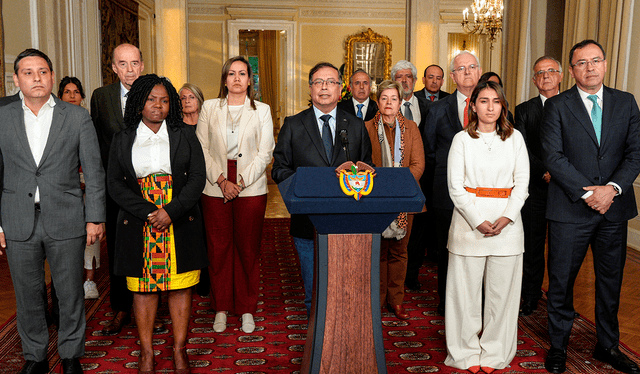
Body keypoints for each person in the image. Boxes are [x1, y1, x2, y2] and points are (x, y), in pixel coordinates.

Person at [0, 48, 106, 374]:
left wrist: (95, 217)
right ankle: (35, 357)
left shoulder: (75, 117)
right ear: (16, 78)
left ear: (51, 76)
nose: (37, 78)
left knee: (70, 291)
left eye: (43, 72)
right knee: (28, 295)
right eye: (29, 72)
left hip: (66, 217)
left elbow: (94, 170)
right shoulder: (2, 116)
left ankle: (71, 354)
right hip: (17, 219)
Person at [541, 39, 640, 374]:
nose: (590, 67)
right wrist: (590, 194)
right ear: (571, 70)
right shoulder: (556, 106)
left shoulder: (626, 103)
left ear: (605, 64)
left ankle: (607, 345)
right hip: (570, 210)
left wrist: (611, 189)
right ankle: (558, 346)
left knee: (610, 281)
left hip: (614, 208)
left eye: (595, 60)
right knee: (561, 281)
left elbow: (634, 153)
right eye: (581, 63)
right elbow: (553, 158)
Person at [107, 74, 207, 374]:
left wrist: (171, 211)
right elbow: (114, 183)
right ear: (138, 103)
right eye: (151, 99)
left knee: (179, 286)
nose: (158, 106)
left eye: (165, 100)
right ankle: (147, 353)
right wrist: (150, 212)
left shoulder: (185, 134)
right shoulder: (123, 138)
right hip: (139, 222)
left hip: (179, 220)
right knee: (144, 288)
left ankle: (179, 350)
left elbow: (197, 178)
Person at [272, 62, 372, 315]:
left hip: (347, 221)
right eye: (318, 82)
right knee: (314, 289)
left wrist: (362, 171)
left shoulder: (357, 126)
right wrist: (308, 184)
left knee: (346, 288)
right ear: (310, 89)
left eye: (331, 82)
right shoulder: (293, 125)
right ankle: (316, 343)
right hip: (307, 222)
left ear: (341, 90)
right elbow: (279, 170)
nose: (324, 87)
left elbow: (368, 165)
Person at [444, 80, 529, 373]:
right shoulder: (461, 140)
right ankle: (465, 354)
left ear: (502, 106)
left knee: (502, 297)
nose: (490, 107)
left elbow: (522, 185)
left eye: (496, 101)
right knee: (463, 296)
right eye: (483, 101)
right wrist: (477, 220)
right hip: (469, 226)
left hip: (508, 227)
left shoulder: (516, 138)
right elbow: (455, 187)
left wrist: (506, 217)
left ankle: (495, 354)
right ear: (473, 105)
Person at [196, 56, 275, 333]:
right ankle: (220, 307)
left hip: (250, 188)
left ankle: (246, 309)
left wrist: (239, 183)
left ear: (250, 79)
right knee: (218, 249)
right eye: (232, 73)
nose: (237, 78)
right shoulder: (209, 107)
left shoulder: (262, 110)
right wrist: (221, 180)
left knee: (247, 250)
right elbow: (201, 149)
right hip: (214, 186)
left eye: (243, 73)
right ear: (224, 79)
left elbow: (265, 152)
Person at [90, 43, 149, 336]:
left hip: (152, 189)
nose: (130, 70)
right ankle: (121, 309)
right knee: (118, 250)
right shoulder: (101, 98)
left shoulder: (157, 92)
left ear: (142, 65)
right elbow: (97, 146)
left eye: (135, 63)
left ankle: (151, 310)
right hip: (116, 191)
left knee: (152, 251)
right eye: (123, 64)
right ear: (113, 67)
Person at [423, 50, 482, 316]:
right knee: (447, 248)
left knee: (479, 249)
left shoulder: (491, 103)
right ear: (454, 76)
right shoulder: (437, 108)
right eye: (461, 68)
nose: (467, 72)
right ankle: (446, 300)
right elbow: (430, 149)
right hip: (445, 191)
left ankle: (475, 303)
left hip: (485, 192)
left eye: (472, 67)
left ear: (479, 72)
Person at [364, 80, 424, 319]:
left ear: (401, 102)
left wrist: (399, 188)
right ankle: (377, 300)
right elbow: (363, 164)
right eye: (384, 98)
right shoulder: (366, 128)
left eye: (394, 99)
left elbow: (418, 164)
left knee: (399, 251)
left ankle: (396, 300)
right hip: (374, 200)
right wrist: (381, 189)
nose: (389, 103)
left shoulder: (411, 128)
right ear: (377, 102)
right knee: (377, 251)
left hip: (404, 199)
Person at [514, 56, 562, 316]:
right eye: (540, 73)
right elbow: (522, 148)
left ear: (560, 76)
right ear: (534, 80)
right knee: (532, 247)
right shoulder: (524, 110)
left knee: (562, 250)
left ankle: (561, 301)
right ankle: (530, 296)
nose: (545, 76)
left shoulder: (573, 105)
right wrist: (544, 172)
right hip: (534, 189)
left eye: (551, 71)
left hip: (566, 191)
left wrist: (562, 175)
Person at [58, 76, 101, 300]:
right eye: (67, 92)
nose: (72, 95)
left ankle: (89, 280)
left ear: (82, 97)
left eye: (76, 92)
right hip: (62, 185)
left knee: (90, 236)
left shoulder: (88, 121)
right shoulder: (52, 122)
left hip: (86, 181)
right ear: (60, 96)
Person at [391, 60, 430, 132]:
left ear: (414, 80)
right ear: (393, 82)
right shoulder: (388, 106)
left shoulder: (429, 106)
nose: (404, 80)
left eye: (408, 76)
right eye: (399, 77)